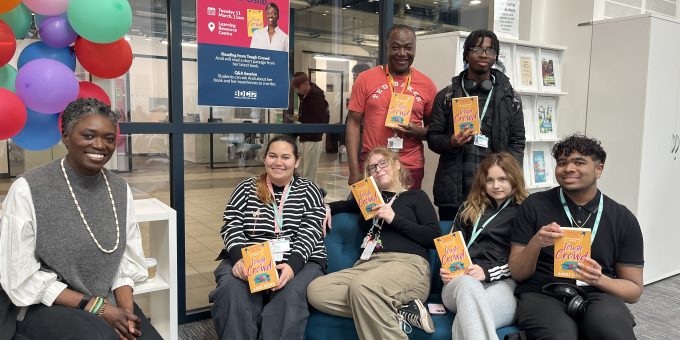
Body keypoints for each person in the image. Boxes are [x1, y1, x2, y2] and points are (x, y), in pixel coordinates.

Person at [0, 98, 162, 340]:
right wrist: (100, 308)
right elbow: (21, 278)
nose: (100, 145)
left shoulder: (119, 189)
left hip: (105, 301)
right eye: (88, 135)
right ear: (66, 136)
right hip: (44, 305)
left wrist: (126, 312)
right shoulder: (28, 188)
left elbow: (124, 262)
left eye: (109, 138)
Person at [508, 134, 643, 340]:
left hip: (599, 292)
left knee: (613, 332)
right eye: (562, 163)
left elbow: (633, 291)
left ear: (599, 169)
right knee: (560, 335)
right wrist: (536, 243)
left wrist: (599, 279)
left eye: (579, 162)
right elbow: (518, 273)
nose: (568, 168)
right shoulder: (534, 205)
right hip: (542, 291)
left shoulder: (622, 218)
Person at [307, 147, 441, 339]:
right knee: (316, 291)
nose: (378, 170)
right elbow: (343, 205)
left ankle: (385, 307)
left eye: (383, 163)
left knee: (362, 287)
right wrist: (326, 207)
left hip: (408, 265)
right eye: (372, 168)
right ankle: (400, 308)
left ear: (396, 165)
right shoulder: (368, 200)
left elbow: (433, 237)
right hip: (368, 266)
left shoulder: (416, 196)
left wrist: (394, 218)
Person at [209, 135, 327, 340]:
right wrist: (238, 259)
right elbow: (232, 224)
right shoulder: (246, 187)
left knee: (289, 296)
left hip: (300, 259)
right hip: (249, 257)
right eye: (272, 156)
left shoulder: (309, 190)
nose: (278, 162)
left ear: (296, 161)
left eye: (286, 157)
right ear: (264, 159)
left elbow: (311, 231)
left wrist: (292, 266)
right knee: (232, 290)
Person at [427, 29, 525, 220]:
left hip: (495, 190)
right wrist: (451, 142)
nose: (483, 54)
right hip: (454, 192)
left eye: (490, 50)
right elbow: (433, 138)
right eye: (477, 49)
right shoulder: (446, 95)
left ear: (495, 57)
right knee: (454, 245)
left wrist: (506, 175)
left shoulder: (510, 98)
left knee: (492, 244)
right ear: (466, 54)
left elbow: (517, 142)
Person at [440, 152, 528, 340]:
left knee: (467, 321)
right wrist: (448, 269)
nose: (496, 186)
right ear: (482, 182)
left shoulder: (525, 211)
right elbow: (451, 246)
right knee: (468, 284)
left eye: (503, 179)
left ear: (514, 179)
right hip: (460, 282)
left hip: (504, 283)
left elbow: (524, 260)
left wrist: (488, 273)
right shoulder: (468, 207)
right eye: (490, 180)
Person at [346, 24, 437, 189]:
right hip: (372, 165)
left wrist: (420, 132)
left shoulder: (427, 85)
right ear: (387, 47)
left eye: (408, 48)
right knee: (369, 214)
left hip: (410, 166)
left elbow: (435, 128)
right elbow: (352, 123)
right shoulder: (365, 79)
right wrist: (354, 170)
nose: (402, 53)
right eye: (396, 47)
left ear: (415, 49)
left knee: (405, 214)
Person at [291, 72, 330, 183]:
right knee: (301, 169)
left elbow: (321, 119)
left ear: (306, 84)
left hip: (313, 137)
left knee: (309, 171)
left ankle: (309, 194)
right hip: (304, 136)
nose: (297, 91)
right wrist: (300, 118)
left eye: (298, 88)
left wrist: (302, 119)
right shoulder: (305, 96)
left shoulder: (316, 97)